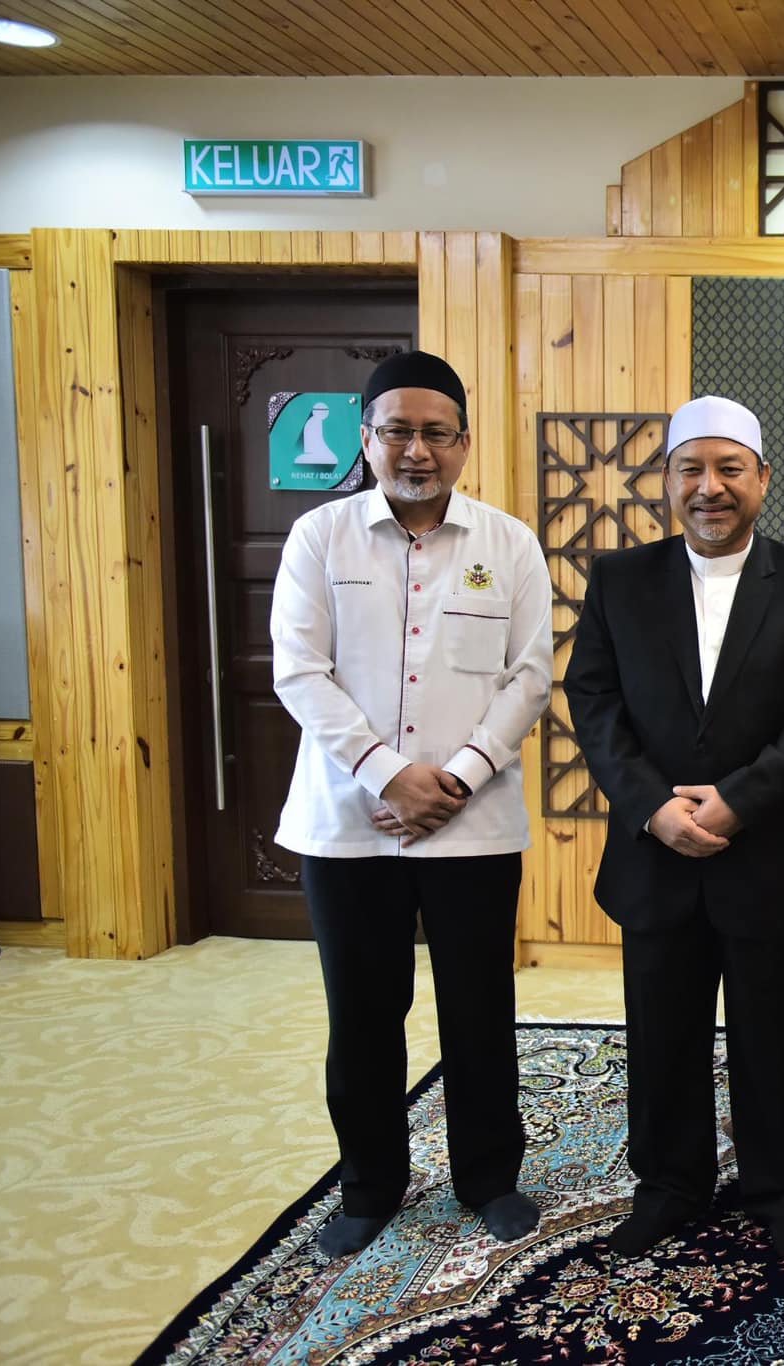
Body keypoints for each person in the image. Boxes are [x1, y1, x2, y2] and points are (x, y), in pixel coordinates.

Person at [272, 349, 551, 1259]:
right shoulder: (320, 537)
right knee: (362, 1013)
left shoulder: (509, 544)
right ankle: (369, 1186)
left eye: (436, 433)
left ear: (464, 443)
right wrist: (387, 772)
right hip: (349, 826)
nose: (417, 450)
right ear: (367, 439)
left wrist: (456, 778)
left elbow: (529, 678)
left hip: (475, 826)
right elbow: (299, 671)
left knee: (480, 1010)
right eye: (398, 431)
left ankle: (488, 1178)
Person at [564, 395, 784, 1262]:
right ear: (667, 481)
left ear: (762, 479)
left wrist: (737, 800)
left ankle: (781, 1186)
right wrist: (652, 806)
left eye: (730, 469)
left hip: (764, 851)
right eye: (691, 469)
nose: (709, 487)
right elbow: (594, 701)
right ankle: (669, 1184)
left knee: (777, 1035)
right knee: (662, 1033)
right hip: (655, 853)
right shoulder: (620, 579)